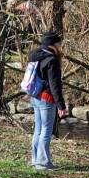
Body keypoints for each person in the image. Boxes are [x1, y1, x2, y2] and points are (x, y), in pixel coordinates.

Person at [27, 31, 67, 170]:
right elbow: (54, 85)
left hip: (35, 96)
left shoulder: (35, 56)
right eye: (59, 43)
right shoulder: (52, 60)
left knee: (38, 129)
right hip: (46, 98)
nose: (60, 46)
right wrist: (61, 105)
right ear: (53, 44)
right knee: (46, 130)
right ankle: (43, 163)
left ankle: (36, 159)